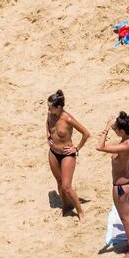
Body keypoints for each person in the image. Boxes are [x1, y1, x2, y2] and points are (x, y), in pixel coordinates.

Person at [96, 113, 129, 258]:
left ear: (121, 131)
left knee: (126, 219)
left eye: (116, 129)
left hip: (121, 186)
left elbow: (99, 147)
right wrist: (116, 122)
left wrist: (107, 128)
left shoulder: (124, 146)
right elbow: (121, 129)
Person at [46, 90, 90, 219]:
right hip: (53, 152)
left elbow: (86, 133)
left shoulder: (68, 119)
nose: (48, 109)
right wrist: (47, 135)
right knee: (59, 182)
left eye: (50, 107)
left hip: (67, 155)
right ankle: (66, 206)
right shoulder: (50, 114)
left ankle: (80, 212)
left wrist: (76, 149)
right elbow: (48, 124)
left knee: (66, 186)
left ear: (59, 107)